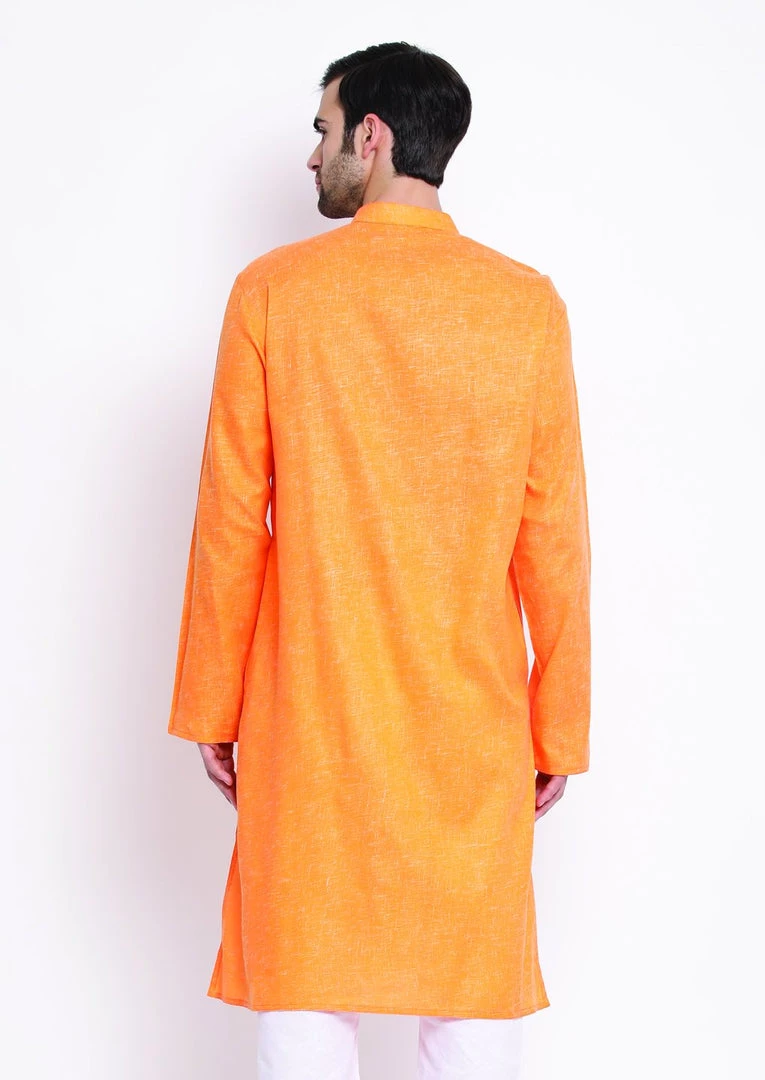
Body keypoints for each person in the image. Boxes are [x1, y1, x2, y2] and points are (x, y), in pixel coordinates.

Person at [167, 41, 591, 1080]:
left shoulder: (275, 292)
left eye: (322, 131)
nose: (311, 158)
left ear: (373, 133)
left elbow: (231, 521)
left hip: (309, 715)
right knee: (470, 1000)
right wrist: (559, 727)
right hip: (471, 728)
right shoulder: (524, 305)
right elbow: (555, 539)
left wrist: (214, 707)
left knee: (305, 991)